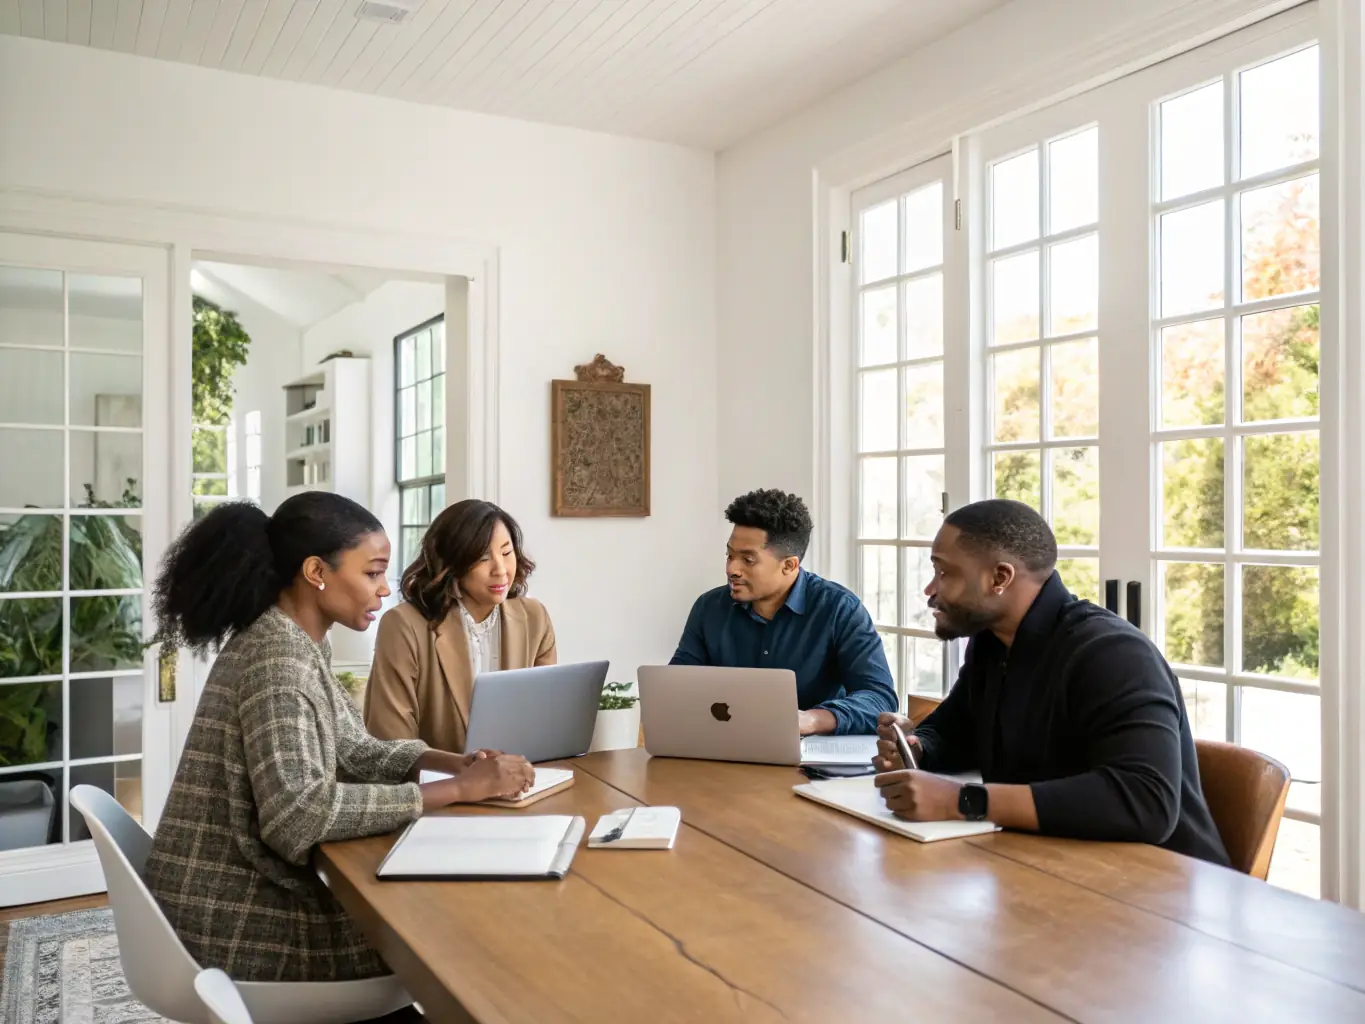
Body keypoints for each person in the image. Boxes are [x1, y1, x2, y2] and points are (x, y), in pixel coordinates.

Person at [144, 493, 535, 993]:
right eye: (372, 573)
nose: (384, 590)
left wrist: (455, 764)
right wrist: (458, 792)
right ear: (315, 572)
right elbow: (298, 815)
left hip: (227, 899)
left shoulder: (295, 639)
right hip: (238, 920)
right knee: (452, 934)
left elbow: (355, 747)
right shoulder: (278, 663)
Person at [872, 499, 1230, 866]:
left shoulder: (1113, 654)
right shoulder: (992, 644)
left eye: (945, 573)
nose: (931, 589)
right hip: (1050, 864)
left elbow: (1145, 801)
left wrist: (963, 800)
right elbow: (956, 730)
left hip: (1161, 888)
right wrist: (917, 748)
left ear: (1000, 578)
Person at [671, 488, 897, 736]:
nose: (732, 569)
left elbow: (880, 699)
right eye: (730, 554)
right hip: (722, 749)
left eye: (748, 560)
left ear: (789, 565)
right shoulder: (708, 608)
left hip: (810, 763)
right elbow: (677, 688)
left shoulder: (839, 609)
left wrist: (812, 719)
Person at [365, 498, 556, 751]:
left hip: (520, 778)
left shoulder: (534, 617)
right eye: (483, 557)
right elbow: (392, 744)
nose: (500, 569)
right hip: (438, 785)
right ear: (452, 563)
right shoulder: (404, 625)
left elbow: (546, 720)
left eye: (506, 552)